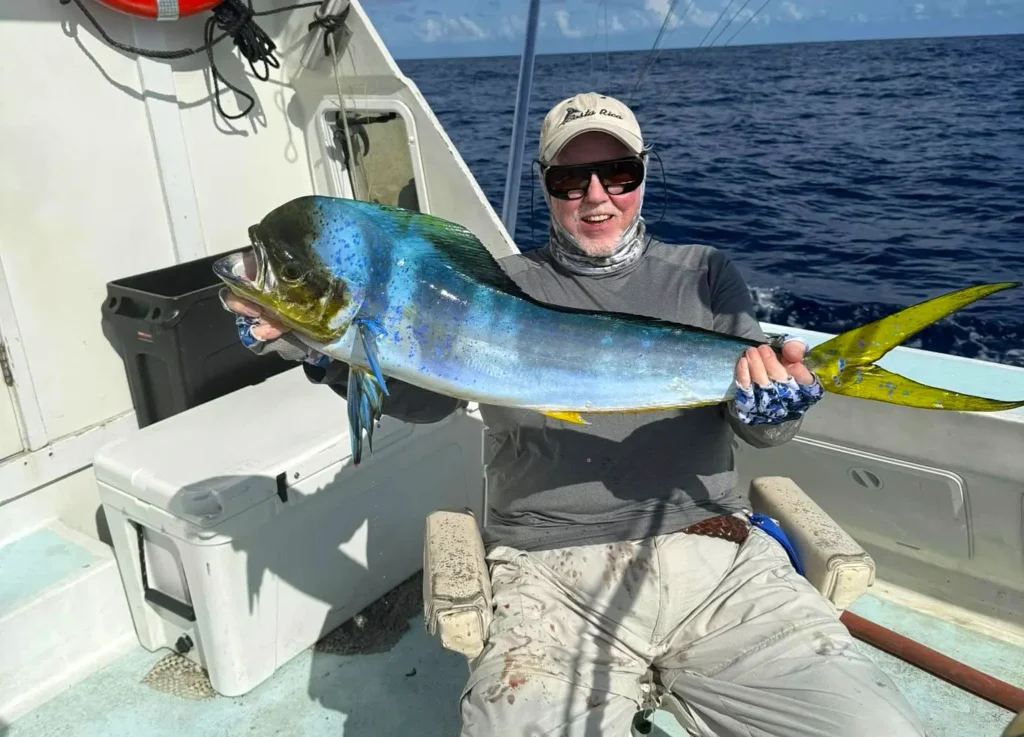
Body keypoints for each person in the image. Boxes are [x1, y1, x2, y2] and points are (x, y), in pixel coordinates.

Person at [222, 92, 927, 737]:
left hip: (714, 560)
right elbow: (421, 398)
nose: (596, 196)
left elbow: (763, 424)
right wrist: (319, 355)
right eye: (570, 179)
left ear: (643, 175)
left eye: (617, 171)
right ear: (546, 185)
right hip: (545, 577)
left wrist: (776, 408)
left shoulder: (707, 273)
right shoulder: (495, 285)